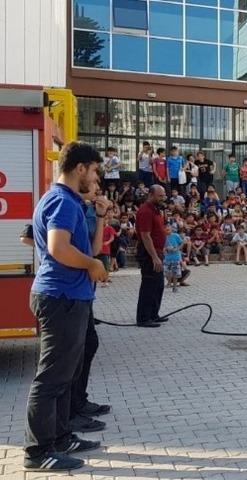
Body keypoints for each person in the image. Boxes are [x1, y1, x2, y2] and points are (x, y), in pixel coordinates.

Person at [25, 141, 107, 472]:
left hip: (67, 297)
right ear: (80, 169)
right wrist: (92, 265)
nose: (97, 177)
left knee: (64, 375)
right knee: (51, 378)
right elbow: (60, 248)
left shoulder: (64, 199)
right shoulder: (64, 202)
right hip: (61, 297)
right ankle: (38, 450)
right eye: (95, 170)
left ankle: (59, 437)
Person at [135, 185, 168, 328]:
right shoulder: (145, 211)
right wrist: (154, 257)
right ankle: (143, 318)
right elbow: (145, 235)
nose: (163, 198)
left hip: (158, 251)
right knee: (149, 285)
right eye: (160, 196)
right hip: (149, 253)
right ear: (151, 195)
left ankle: (153, 314)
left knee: (158, 285)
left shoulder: (156, 211)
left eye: (164, 195)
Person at [163, 224, 183, 293]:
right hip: (167, 257)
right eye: (165, 229)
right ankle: (169, 282)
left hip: (175, 257)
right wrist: (165, 249)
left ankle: (174, 286)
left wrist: (177, 248)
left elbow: (181, 243)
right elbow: (162, 247)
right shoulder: (163, 237)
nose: (167, 230)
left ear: (171, 229)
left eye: (168, 229)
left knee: (175, 273)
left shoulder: (176, 236)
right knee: (166, 272)